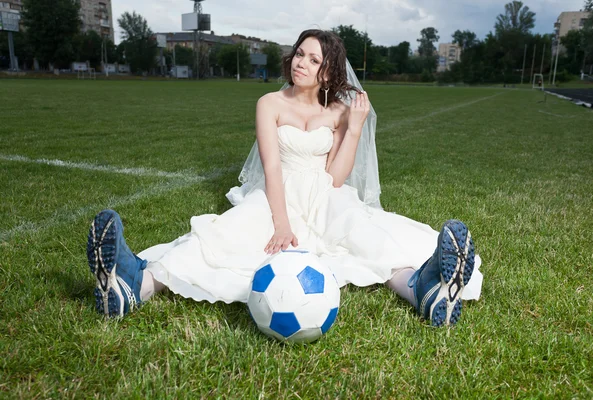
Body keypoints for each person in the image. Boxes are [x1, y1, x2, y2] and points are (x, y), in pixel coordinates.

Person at [87, 29, 483, 327]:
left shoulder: (339, 112)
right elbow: (272, 167)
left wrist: (355, 127)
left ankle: (426, 293)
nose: (300, 62)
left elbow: (335, 176)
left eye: (312, 59)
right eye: (299, 54)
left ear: (327, 71)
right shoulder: (269, 104)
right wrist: (281, 222)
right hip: (277, 193)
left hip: (325, 193)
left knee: (366, 238)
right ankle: (133, 287)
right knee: (222, 238)